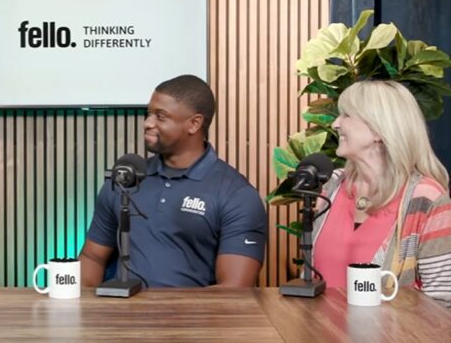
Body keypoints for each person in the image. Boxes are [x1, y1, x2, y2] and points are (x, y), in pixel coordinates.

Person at [79, 75, 268, 287]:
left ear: (194, 124)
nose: (148, 123)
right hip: (119, 317)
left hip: (192, 319)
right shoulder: (125, 179)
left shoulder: (237, 195)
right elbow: (92, 257)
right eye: (149, 114)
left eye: (161, 116)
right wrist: (86, 312)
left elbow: (234, 290)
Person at [312, 80, 451, 307]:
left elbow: (443, 304)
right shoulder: (332, 186)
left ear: (378, 130)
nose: (336, 124)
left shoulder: (426, 200)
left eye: (346, 115)